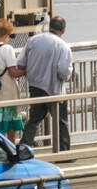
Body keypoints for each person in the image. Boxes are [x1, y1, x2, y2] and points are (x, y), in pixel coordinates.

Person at [18, 16, 74, 152]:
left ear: (50, 27)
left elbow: (20, 63)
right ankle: (64, 151)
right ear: (63, 30)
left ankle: (24, 147)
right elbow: (64, 71)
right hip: (54, 89)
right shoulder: (63, 46)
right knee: (61, 121)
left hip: (35, 86)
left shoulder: (33, 40)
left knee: (34, 119)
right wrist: (67, 76)